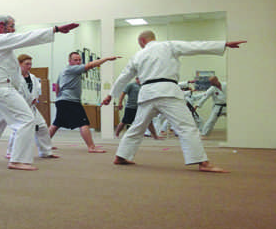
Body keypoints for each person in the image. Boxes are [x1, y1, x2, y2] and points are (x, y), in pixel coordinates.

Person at [102, 30, 246, 172]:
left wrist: (111, 94)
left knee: (137, 127)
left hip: (147, 94)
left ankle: (121, 156)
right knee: (186, 127)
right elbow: (195, 46)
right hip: (167, 91)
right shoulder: (168, 45)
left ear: (142, 41)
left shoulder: (138, 55)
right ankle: (203, 163)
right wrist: (223, 44)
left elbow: (124, 76)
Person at [0, 16, 79, 171]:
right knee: (26, 120)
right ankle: (17, 160)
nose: (14, 30)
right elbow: (25, 38)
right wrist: (56, 29)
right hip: (3, 89)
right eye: (11, 26)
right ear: (0, 27)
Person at [48, 52, 120, 153]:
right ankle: (91, 147)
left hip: (63, 100)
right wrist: (107, 58)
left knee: (57, 123)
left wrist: (59, 98)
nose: (78, 62)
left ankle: (44, 144)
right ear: (70, 61)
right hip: (70, 101)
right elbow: (90, 65)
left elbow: (57, 87)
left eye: (79, 60)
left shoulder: (63, 71)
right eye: (75, 60)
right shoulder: (72, 69)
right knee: (83, 123)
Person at [6, 54, 58, 159]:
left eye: (30, 64)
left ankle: (46, 152)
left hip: (31, 106)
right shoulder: (13, 77)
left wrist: (35, 98)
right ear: (19, 64)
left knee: (42, 127)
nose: (29, 66)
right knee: (19, 129)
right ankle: (10, 152)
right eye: (26, 64)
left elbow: (37, 90)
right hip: (19, 107)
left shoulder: (33, 77)